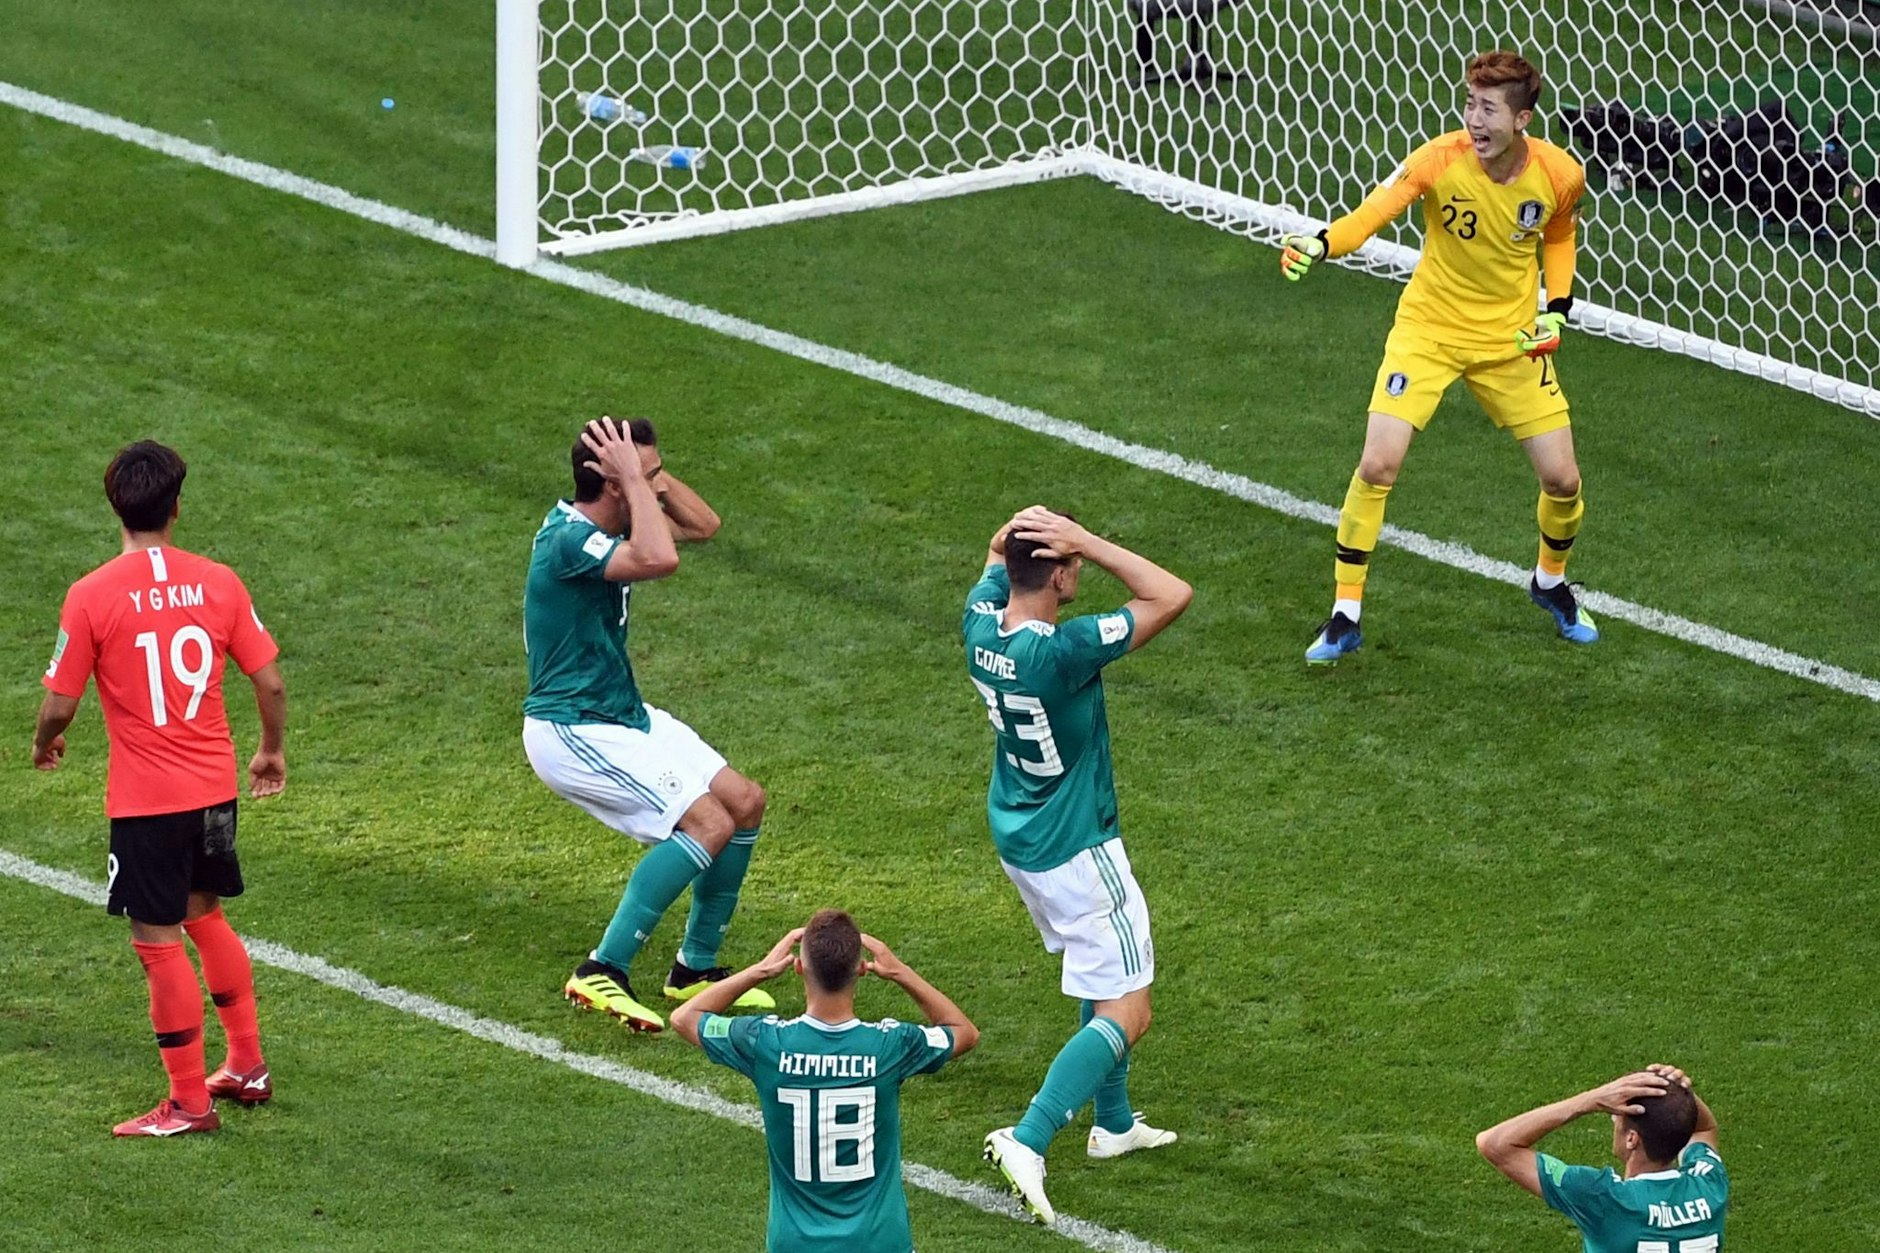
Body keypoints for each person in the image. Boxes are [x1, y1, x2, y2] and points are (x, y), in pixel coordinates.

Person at [1281, 50, 1597, 664]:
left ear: (1523, 118)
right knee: (1378, 464)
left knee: (1563, 479)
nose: (1473, 120)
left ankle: (1551, 582)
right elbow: (1368, 217)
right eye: (1469, 104)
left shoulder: (1561, 175)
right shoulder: (1438, 159)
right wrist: (1319, 244)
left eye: (1488, 108)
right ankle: (1346, 613)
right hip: (1427, 331)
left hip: (1507, 343)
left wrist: (1556, 309)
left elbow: (1559, 234)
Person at [32, 440, 288, 1136]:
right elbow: (269, 679)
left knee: (158, 937)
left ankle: (189, 1103)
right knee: (205, 913)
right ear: (177, 506)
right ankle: (246, 1063)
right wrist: (269, 749)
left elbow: (60, 702)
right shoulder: (219, 581)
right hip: (213, 790)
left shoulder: (91, 594)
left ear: (115, 504)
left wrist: (43, 740)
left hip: (148, 801)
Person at [963, 506, 1192, 1225]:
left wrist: (1021, 540)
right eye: (1074, 561)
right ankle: (1028, 1136)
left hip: (1021, 836)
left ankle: (1114, 1122)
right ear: (1058, 571)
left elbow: (996, 558)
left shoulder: (978, 626)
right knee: (1131, 1006)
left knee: (1102, 973)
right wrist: (1086, 536)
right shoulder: (1065, 650)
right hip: (1078, 848)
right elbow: (1170, 594)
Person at [524, 416, 770, 1033]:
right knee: (705, 822)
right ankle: (601, 968)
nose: (657, 487)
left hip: (621, 713)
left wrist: (640, 475)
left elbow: (703, 526)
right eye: (646, 476)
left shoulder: (614, 521)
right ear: (612, 485)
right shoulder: (567, 541)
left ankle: (694, 969)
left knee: (743, 802)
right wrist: (635, 475)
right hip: (572, 729)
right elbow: (661, 559)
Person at [672, 911, 978, 1253]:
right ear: (862, 969)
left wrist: (759, 971)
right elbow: (963, 1031)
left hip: (795, 1245)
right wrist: (900, 973)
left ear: (799, 968)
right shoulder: (890, 1046)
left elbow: (685, 1018)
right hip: (878, 1243)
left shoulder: (766, 1043)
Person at [1477, 1063, 1728, 1251]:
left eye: (1616, 1116)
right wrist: (1678, 1092)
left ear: (1632, 1139)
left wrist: (1591, 1100)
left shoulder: (1603, 1198)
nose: (1612, 1120)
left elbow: (1495, 1143)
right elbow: (1703, 1129)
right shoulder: (1708, 1185)